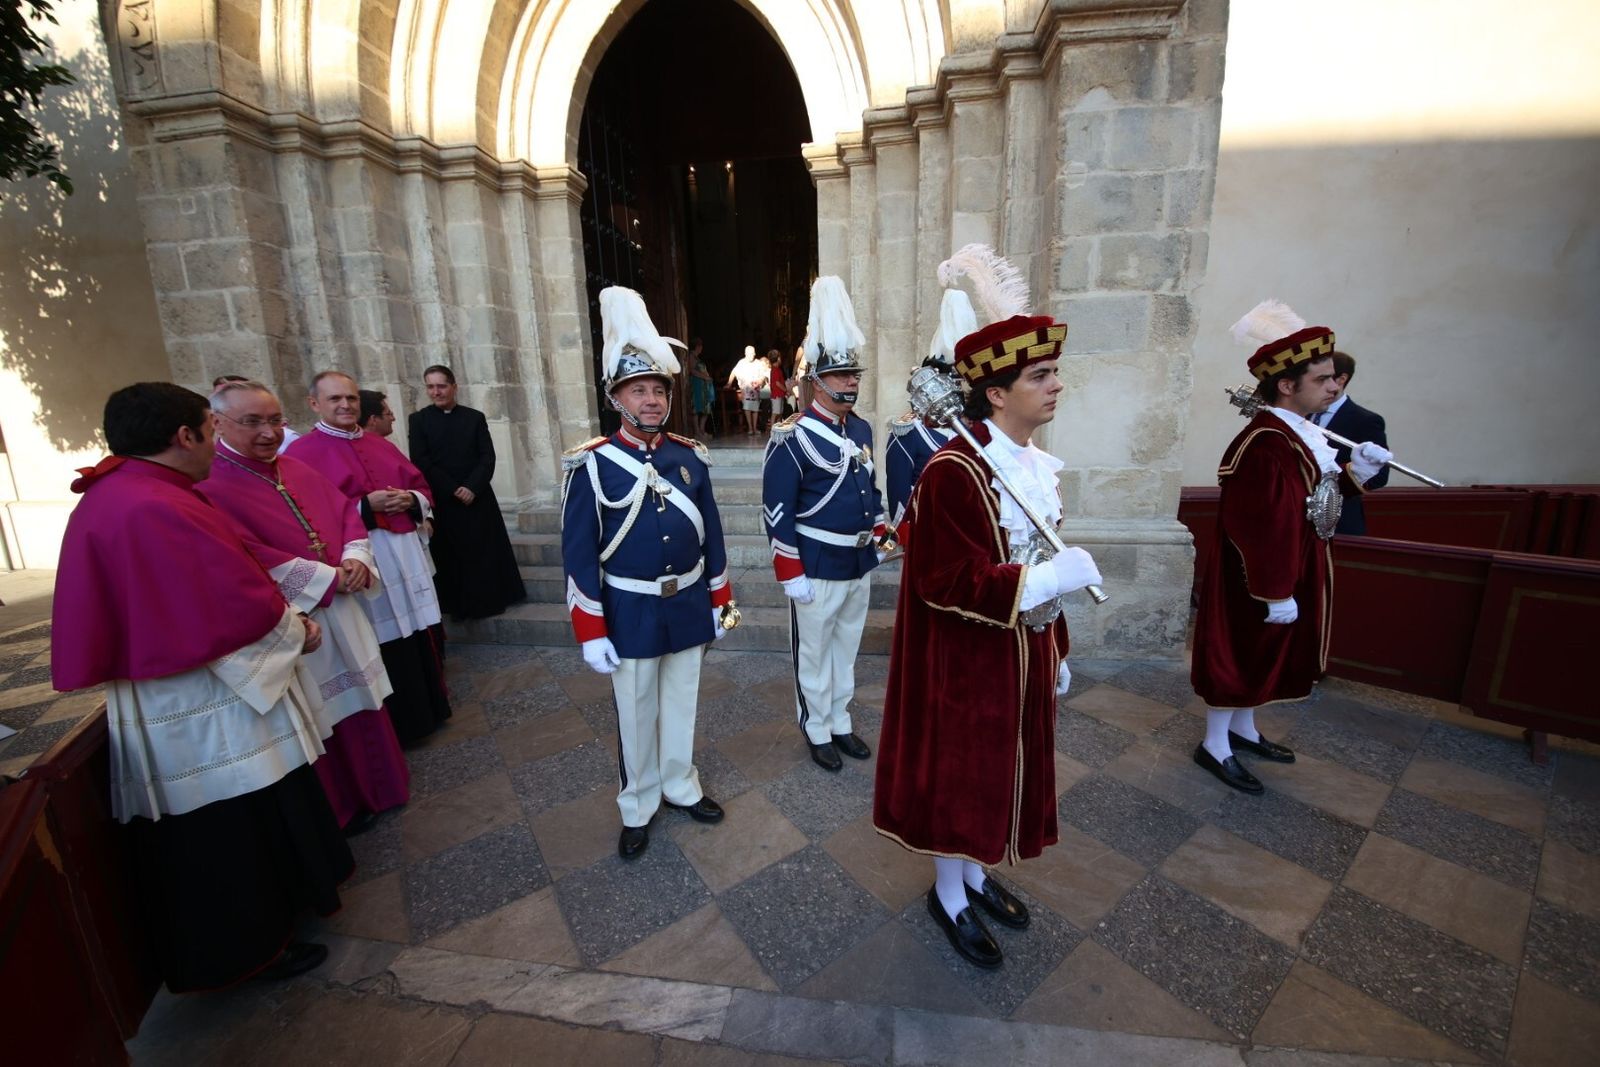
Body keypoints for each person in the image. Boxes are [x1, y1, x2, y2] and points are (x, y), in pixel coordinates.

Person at [52, 382, 349, 991]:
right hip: (200, 697)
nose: (216, 444)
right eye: (213, 431)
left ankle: (272, 925)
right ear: (183, 436)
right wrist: (296, 632)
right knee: (228, 822)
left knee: (233, 812)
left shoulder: (133, 493)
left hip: (187, 682)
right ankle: (253, 947)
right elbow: (224, 605)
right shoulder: (153, 505)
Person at [874, 246, 1102, 970]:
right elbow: (947, 580)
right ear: (996, 393)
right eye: (1041, 375)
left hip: (1020, 649)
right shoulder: (953, 471)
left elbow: (1036, 563)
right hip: (962, 661)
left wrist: (1055, 644)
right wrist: (1047, 583)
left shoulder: (1030, 465)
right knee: (963, 773)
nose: (1056, 385)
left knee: (1003, 770)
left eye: (1053, 372)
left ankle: (975, 872)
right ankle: (949, 893)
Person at [1190, 301, 1394, 793]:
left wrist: (1356, 474)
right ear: (1287, 385)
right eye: (1323, 378)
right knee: (1240, 650)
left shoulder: (1300, 435)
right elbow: (1255, 524)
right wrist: (1274, 590)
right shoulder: (1265, 441)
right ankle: (1215, 743)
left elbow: (1312, 501)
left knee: (1266, 652)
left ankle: (1243, 728)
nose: (1334, 385)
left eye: (1334, 377)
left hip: (1293, 563)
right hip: (1258, 575)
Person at [562, 288, 735, 860]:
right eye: (640, 389)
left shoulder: (688, 457)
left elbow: (711, 531)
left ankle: (681, 785)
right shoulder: (591, 464)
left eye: (660, 389)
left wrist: (719, 598)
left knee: (682, 700)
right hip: (629, 607)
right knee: (636, 711)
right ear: (618, 398)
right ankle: (638, 804)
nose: (654, 399)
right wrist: (590, 629)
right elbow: (579, 552)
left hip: (686, 601)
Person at [204, 381, 410, 834]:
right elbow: (242, 554)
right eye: (252, 422)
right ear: (217, 422)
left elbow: (345, 515)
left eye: (275, 420)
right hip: (297, 617)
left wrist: (356, 557)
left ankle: (381, 788)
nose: (268, 432)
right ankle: (343, 808)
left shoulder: (294, 468)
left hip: (343, 605)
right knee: (321, 710)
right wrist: (328, 578)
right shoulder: (210, 485)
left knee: (361, 696)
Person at [762, 276, 889, 773]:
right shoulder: (790, 437)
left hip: (856, 560)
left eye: (854, 375)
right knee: (812, 655)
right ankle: (815, 728)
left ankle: (839, 720)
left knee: (846, 649)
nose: (851, 383)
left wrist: (879, 536)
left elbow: (869, 490)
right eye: (840, 377)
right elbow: (777, 512)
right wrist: (790, 571)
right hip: (814, 563)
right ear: (815, 381)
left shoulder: (859, 428)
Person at [287, 371, 453, 745]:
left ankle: (431, 709)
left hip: (403, 554)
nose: (345, 405)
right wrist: (364, 504)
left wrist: (411, 500)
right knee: (382, 638)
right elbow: (306, 514)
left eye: (350, 399)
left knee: (416, 632)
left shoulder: (380, 444)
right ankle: (399, 725)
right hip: (364, 557)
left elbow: (421, 485)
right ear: (314, 404)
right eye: (335, 400)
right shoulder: (300, 456)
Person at [408, 365, 527, 621]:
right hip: (444, 499)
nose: (436, 392)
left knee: (483, 551)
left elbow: (487, 456)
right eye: (430, 386)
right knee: (452, 555)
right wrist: (452, 489)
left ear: (454, 387)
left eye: (441, 386)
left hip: (478, 496)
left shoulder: (474, 417)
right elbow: (420, 460)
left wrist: (472, 486)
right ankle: (458, 605)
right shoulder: (419, 421)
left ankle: (492, 600)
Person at [885, 287, 974, 533]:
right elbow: (899, 500)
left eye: (963, 381)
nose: (958, 388)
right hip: (927, 535)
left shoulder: (981, 427)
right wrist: (902, 542)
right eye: (952, 381)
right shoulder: (908, 431)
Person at [1315, 351, 1389, 535]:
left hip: (1341, 520)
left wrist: (1338, 479)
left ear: (1341, 379)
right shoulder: (1303, 414)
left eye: (1323, 378)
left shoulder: (1365, 420)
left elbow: (1379, 476)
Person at [727, 345, 768, 436]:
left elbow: (763, 375)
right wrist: (729, 383)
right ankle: (750, 428)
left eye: (752, 353)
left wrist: (760, 381)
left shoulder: (758, 363)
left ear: (754, 354)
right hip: (746, 390)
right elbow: (734, 372)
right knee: (747, 408)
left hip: (755, 389)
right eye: (749, 353)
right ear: (745, 354)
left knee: (755, 409)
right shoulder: (741, 362)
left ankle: (755, 428)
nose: (751, 355)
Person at [686, 338, 716, 439]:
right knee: (696, 408)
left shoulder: (697, 358)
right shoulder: (691, 356)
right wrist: (705, 377)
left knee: (706, 409)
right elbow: (692, 371)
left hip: (703, 386)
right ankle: (697, 432)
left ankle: (702, 430)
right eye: (700, 346)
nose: (701, 348)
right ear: (697, 346)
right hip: (696, 386)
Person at [766, 349, 787, 426]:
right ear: (778, 359)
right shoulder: (775, 370)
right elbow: (777, 383)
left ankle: (779, 427)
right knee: (775, 412)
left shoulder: (777, 369)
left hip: (780, 394)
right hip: (776, 395)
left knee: (780, 412)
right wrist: (785, 389)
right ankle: (773, 428)